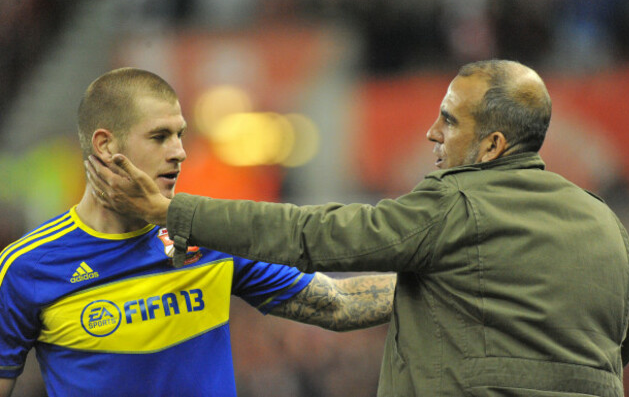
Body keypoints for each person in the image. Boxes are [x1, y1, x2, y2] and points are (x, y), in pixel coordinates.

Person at [88, 59, 629, 396]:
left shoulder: (458, 205)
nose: (431, 132)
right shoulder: (607, 225)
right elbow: (625, 341)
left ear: (493, 145)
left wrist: (174, 213)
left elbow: (319, 235)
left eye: (449, 120)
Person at [0, 68, 396, 397]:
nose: (179, 152)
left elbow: (336, 303)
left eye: (180, 134)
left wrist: (452, 279)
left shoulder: (206, 235)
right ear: (105, 145)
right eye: (159, 137)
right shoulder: (28, 266)